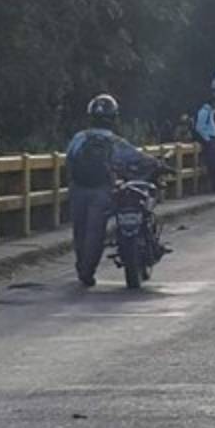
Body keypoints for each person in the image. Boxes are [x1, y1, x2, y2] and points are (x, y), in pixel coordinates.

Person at [65, 94, 159, 287]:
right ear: (114, 117)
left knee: (79, 230)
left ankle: (81, 267)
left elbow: (69, 159)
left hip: (78, 189)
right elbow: (138, 158)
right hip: (101, 189)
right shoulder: (115, 142)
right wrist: (157, 163)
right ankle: (87, 271)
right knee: (95, 232)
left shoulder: (79, 138)